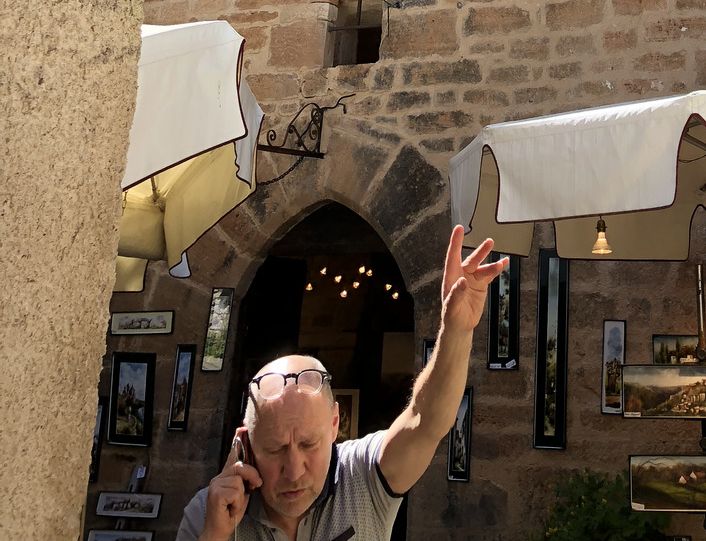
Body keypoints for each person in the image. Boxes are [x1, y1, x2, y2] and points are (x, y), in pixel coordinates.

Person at [176, 226, 505, 541]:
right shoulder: (207, 513)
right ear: (244, 445)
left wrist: (457, 331)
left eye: (309, 444)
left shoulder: (362, 477)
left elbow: (426, 420)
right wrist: (214, 536)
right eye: (275, 449)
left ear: (335, 424)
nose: (294, 471)